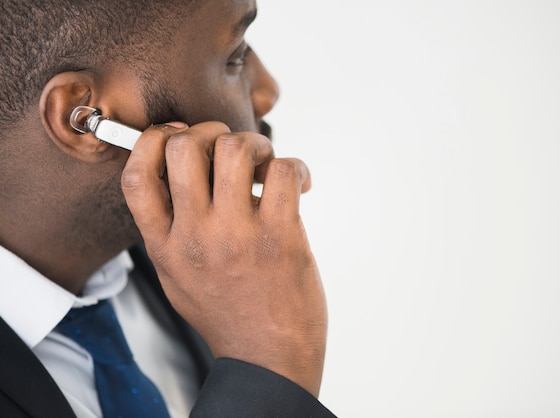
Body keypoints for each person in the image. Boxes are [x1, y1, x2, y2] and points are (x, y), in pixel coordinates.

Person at [0, 0, 335, 416]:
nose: (268, 91)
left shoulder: (207, 271)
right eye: (235, 57)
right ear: (83, 116)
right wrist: (267, 367)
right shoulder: (254, 331)